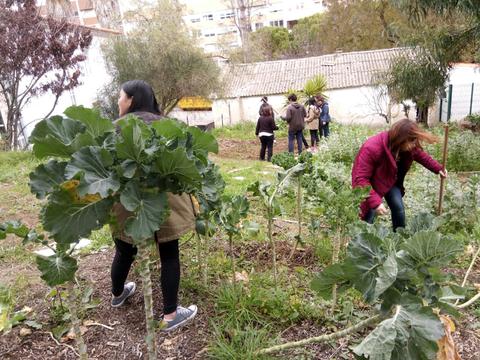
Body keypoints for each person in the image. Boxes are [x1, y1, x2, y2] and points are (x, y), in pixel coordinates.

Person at [111, 80, 198, 332]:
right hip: (165, 198)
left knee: (124, 249)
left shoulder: (114, 129)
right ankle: (170, 316)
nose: (118, 101)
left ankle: (118, 294)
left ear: (132, 100)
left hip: (128, 197)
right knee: (169, 254)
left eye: (121, 97)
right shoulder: (169, 125)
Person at [352, 119, 447, 231]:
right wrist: (376, 203)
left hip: (390, 180)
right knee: (368, 216)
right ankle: (361, 242)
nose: (413, 145)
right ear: (400, 139)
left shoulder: (406, 146)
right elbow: (361, 179)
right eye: (411, 141)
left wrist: (438, 168)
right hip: (371, 185)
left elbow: (421, 155)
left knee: (399, 210)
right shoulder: (371, 148)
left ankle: (399, 239)